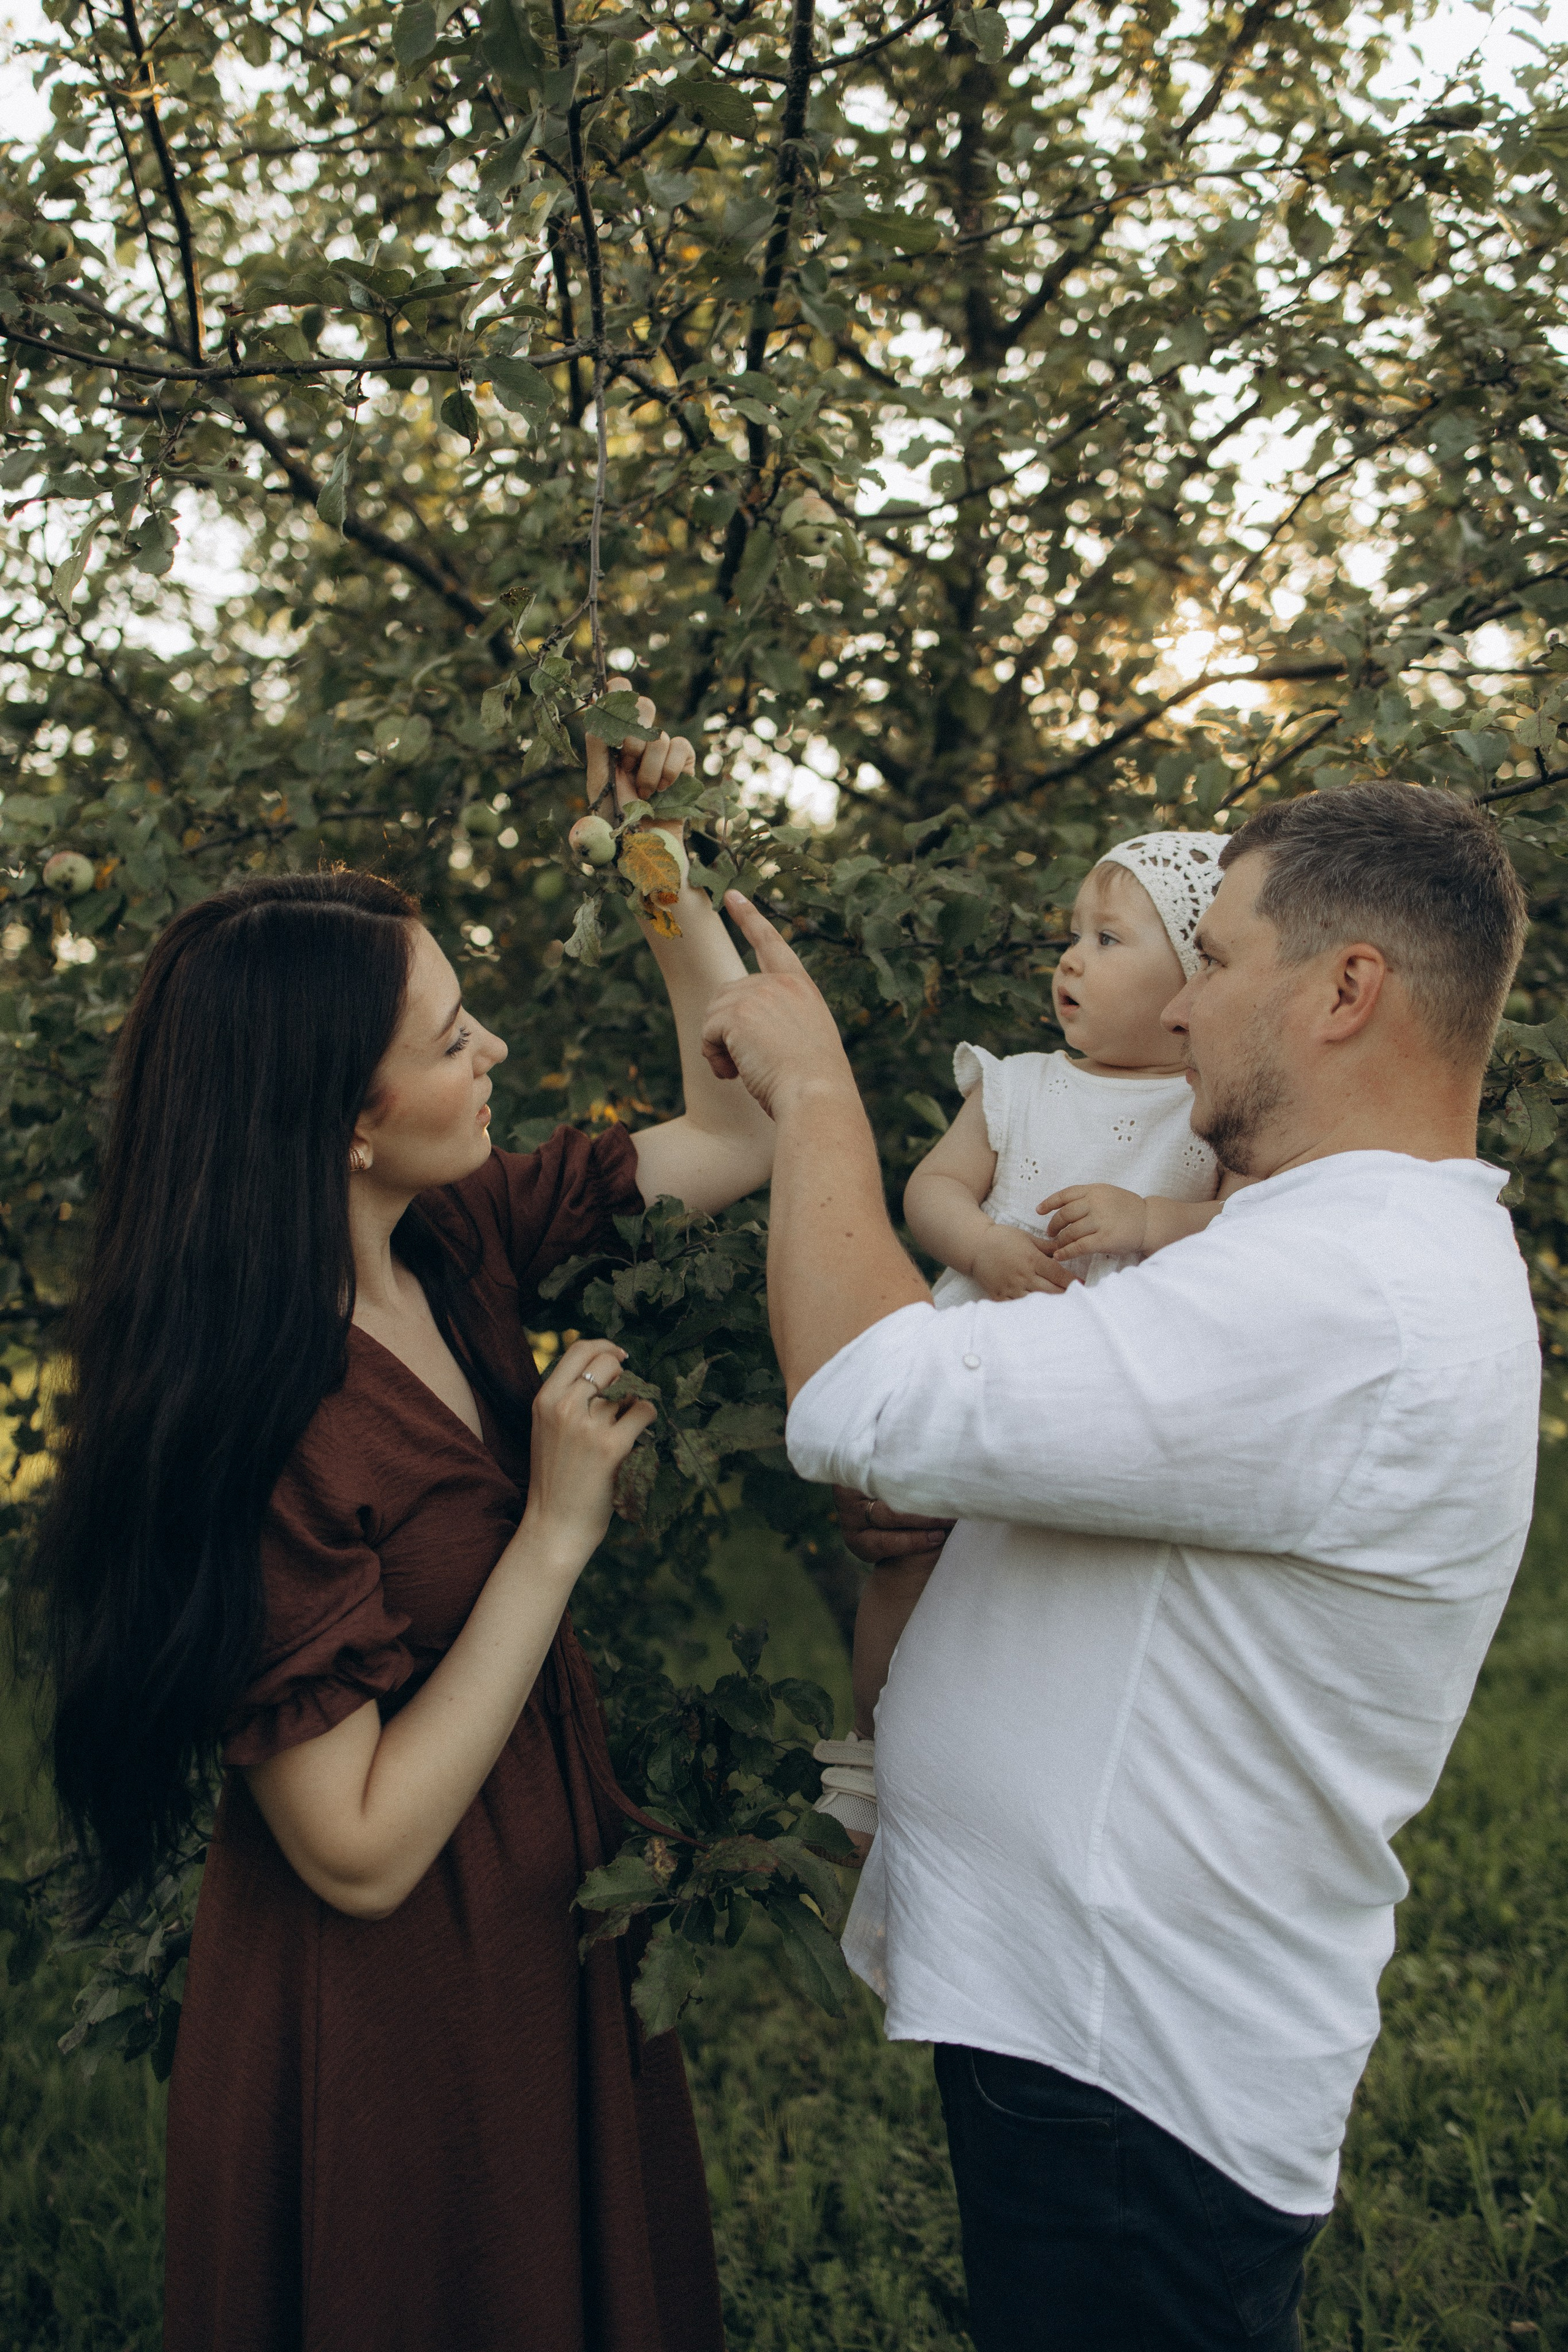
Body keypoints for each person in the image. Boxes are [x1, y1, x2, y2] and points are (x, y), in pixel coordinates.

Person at [698, 782, 1540, 2352]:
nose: (1186, 1004)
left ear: (1343, 989)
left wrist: (816, 1097)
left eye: (1215, 960)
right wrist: (974, 1516)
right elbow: (1134, 1461)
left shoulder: (1334, 1287)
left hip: (1132, 2068)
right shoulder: (1318, 1248)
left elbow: (866, 1401)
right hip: (1107, 2025)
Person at [34, 705, 768, 2352]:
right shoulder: (251, 1424)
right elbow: (354, 1849)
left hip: (536, 1922)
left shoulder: (456, 1242)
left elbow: (748, 1128)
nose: (493, 1048)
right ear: (342, 1121)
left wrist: (659, 870)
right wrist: (553, 1532)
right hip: (395, 2011)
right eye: (449, 1041)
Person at [816, 834, 1244, 1842]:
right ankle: (873, 1753)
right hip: (978, 1344)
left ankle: (1026, 1758)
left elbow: (1250, 1221)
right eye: (1072, 937)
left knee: (1040, 1579)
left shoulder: (1209, 1113)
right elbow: (930, 1187)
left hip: (1100, 1388)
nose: (1072, 960)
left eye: (1108, 939)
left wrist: (1147, 1221)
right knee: (908, 1554)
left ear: (1194, 981)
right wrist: (984, 1243)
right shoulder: (1019, 1083)